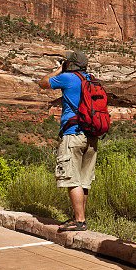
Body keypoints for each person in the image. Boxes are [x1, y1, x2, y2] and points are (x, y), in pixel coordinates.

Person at [38, 50, 97, 231]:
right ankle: (80, 217)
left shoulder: (69, 78)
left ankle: (79, 221)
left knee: (72, 179)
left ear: (70, 64)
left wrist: (58, 70)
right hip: (92, 136)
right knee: (84, 181)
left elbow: (43, 83)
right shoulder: (91, 79)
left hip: (73, 134)